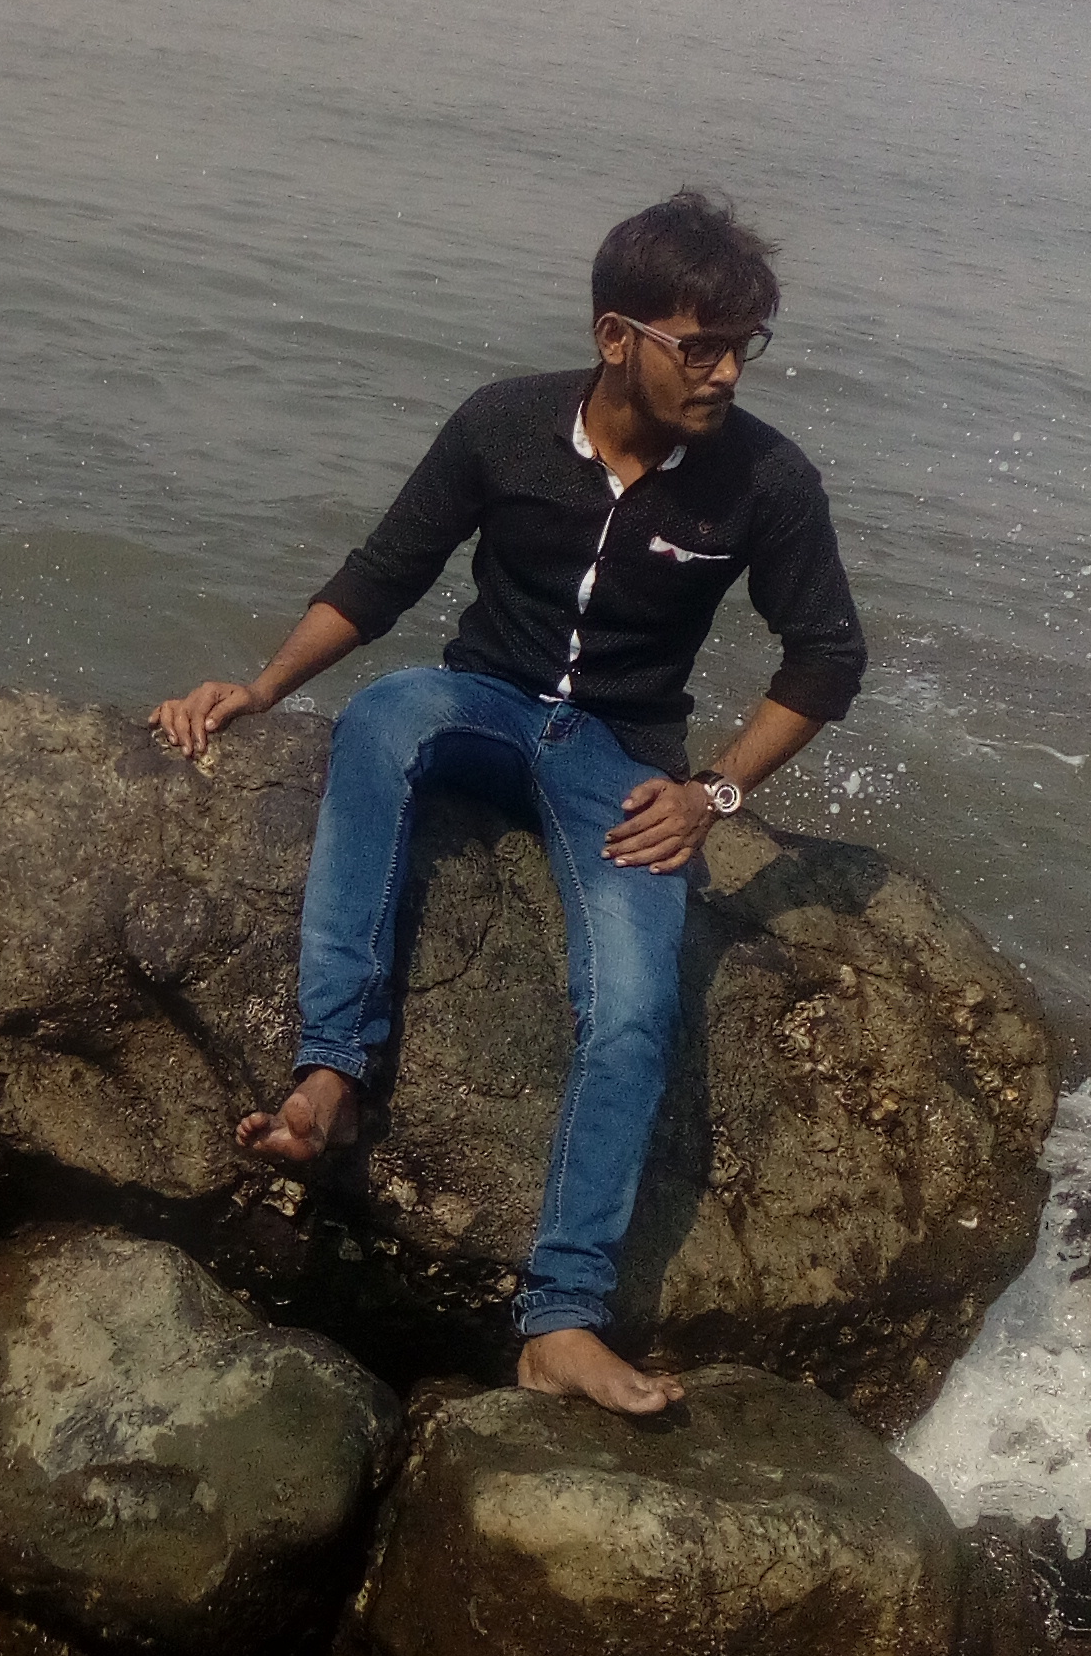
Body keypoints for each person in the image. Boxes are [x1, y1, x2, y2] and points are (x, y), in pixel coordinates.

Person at [151, 190, 866, 1416]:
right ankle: (331, 1073)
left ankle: (562, 1320)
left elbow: (828, 656)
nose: (727, 372)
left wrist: (712, 795)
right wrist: (261, 689)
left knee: (634, 1006)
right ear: (615, 337)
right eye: (701, 346)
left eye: (745, 345)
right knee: (386, 714)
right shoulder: (504, 424)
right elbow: (386, 573)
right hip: (481, 704)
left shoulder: (765, 479)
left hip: (624, 761)